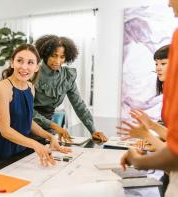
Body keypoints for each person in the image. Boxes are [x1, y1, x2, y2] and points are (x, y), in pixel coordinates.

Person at [121, 1, 178, 196]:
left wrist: (137, 155)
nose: (169, 3)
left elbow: (174, 153)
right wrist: (150, 127)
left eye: (164, 63)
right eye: (157, 63)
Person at [0, 44, 71, 169]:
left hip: (21, 148)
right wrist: (35, 144)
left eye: (30, 62)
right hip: (2, 150)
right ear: (12, 63)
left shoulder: (30, 87)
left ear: (36, 67)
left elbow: (27, 122)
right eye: (20, 61)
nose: (24, 67)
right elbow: (5, 131)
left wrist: (50, 137)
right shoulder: (3, 88)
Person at [33, 35, 107, 143]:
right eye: (54, 56)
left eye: (62, 57)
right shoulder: (33, 72)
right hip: (28, 125)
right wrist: (55, 126)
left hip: (49, 127)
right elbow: (28, 111)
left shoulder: (67, 76)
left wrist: (93, 130)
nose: (57, 61)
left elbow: (79, 105)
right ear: (45, 54)